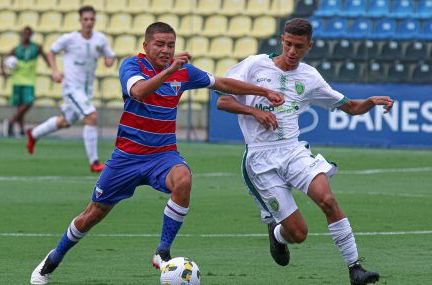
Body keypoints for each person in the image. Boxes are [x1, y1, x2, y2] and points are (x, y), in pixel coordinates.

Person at [29, 22, 284, 285]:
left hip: (163, 155)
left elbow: (221, 82)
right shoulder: (132, 66)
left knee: (183, 179)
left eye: (170, 45)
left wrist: (264, 91)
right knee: (92, 214)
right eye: (160, 44)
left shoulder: (182, 72)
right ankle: (52, 260)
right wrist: (171, 70)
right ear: (146, 46)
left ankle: (162, 252)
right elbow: (139, 91)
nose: (165, 50)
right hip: (126, 158)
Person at [217, 18, 394, 285]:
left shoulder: (310, 77)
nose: (292, 51)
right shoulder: (255, 65)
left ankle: (355, 268)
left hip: (293, 151)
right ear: (281, 40)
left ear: (309, 46)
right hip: (261, 158)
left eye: (299, 46)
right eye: (288, 44)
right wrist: (253, 111)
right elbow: (223, 100)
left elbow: (351, 107)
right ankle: (277, 234)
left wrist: (369, 102)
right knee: (298, 234)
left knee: (328, 201)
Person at [26, 5, 116, 172]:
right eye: (85, 19)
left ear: (94, 20)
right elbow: (51, 52)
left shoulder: (100, 39)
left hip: (86, 90)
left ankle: (34, 134)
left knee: (65, 122)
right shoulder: (69, 39)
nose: (89, 22)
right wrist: (54, 71)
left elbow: (109, 54)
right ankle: (94, 162)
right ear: (80, 20)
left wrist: (109, 60)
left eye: (91, 19)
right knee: (91, 116)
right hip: (71, 88)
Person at [1, 26, 50, 137]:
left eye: (28, 33)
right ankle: (21, 130)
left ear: (31, 35)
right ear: (22, 34)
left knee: (28, 102)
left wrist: (51, 66)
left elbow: (45, 57)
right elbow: (4, 59)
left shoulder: (36, 47)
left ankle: (11, 121)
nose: (26, 35)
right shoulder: (16, 49)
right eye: (25, 33)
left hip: (29, 80)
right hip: (17, 80)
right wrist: (3, 70)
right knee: (19, 107)